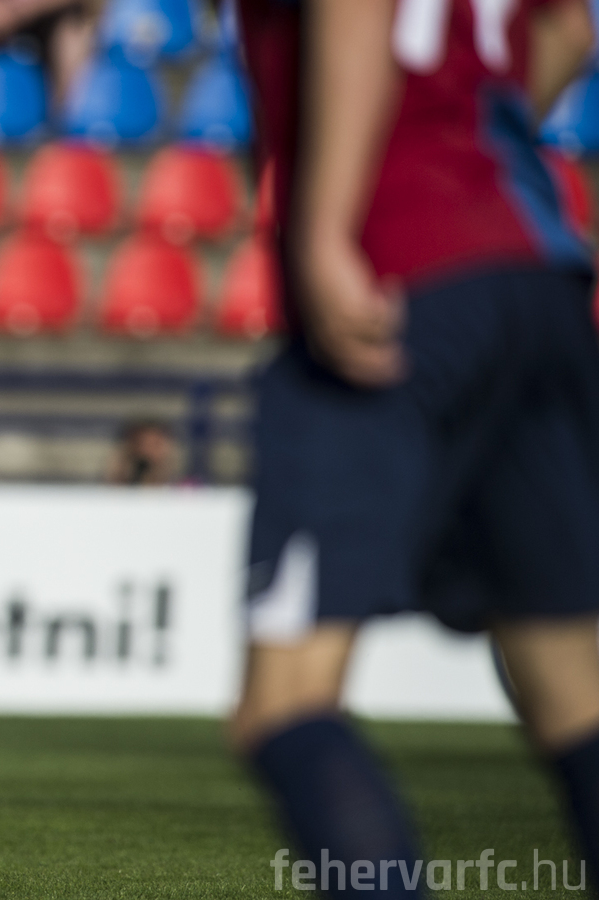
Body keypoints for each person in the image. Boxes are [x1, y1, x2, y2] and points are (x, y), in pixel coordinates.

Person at [235, 0, 599, 894]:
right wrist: (464, 151)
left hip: (402, 277)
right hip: (536, 274)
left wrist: (324, 227)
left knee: (284, 707)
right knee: (577, 697)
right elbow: (567, 30)